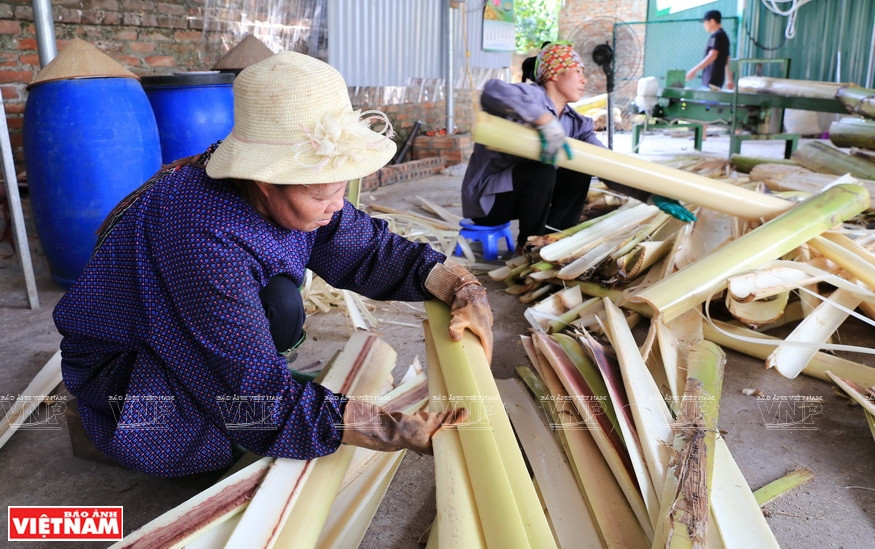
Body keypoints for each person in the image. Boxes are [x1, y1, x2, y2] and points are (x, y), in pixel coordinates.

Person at [52, 52, 493, 478]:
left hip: (190, 319)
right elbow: (251, 394)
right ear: (266, 180)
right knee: (218, 423)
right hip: (127, 366)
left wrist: (458, 284)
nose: (335, 206)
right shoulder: (202, 234)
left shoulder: (288, 192)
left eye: (341, 188)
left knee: (281, 307)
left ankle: (266, 393)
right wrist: (384, 427)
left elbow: (365, 248)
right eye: (322, 196)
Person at [462, 43, 694, 248]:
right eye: (577, 72)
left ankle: (553, 239)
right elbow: (493, 90)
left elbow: (605, 164)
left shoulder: (578, 124)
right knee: (540, 171)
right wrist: (544, 121)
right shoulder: (529, 95)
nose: (584, 79)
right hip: (489, 203)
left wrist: (650, 194)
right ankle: (529, 246)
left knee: (580, 165)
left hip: (526, 200)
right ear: (555, 75)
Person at [686, 10, 734, 91]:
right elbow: (727, 59)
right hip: (718, 82)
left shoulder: (715, 36)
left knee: (707, 102)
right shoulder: (724, 36)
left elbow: (712, 55)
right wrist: (729, 79)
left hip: (710, 80)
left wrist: (694, 70)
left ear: (712, 21)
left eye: (705, 23)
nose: (704, 26)